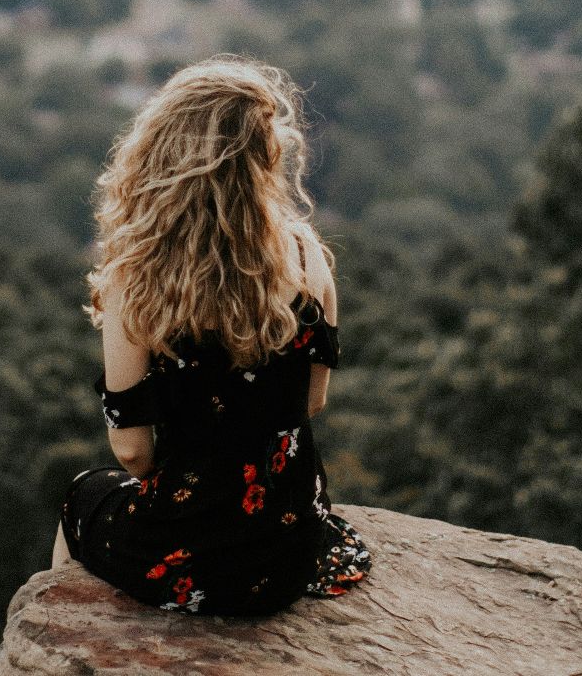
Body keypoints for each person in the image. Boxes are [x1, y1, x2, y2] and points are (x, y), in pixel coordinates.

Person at [51, 55, 371, 616]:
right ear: (265, 157)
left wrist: (190, 482)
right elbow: (312, 401)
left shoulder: (139, 274)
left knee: (80, 496)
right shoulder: (306, 255)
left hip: (188, 550)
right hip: (286, 553)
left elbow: (131, 451)